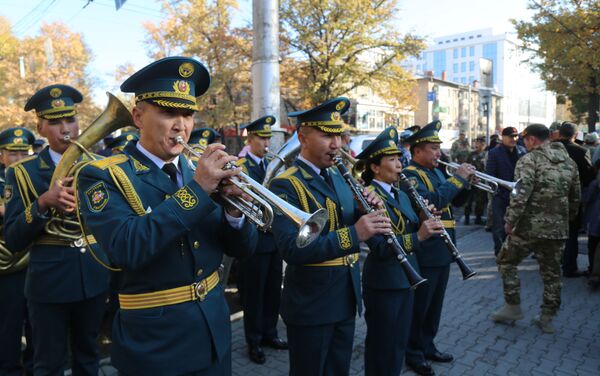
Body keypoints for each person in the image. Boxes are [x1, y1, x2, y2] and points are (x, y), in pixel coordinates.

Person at [75, 57, 258, 375]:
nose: (181, 125)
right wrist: (199, 190)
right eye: (168, 112)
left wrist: (233, 211)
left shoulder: (193, 170)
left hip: (214, 331)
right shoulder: (103, 175)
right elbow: (125, 248)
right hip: (155, 346)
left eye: (187, 114)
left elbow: (242, 250)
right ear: (137, 116)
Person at [268, 97, 391, 376]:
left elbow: (346, 223)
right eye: (326, 135)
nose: (336, 144)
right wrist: (356, 232)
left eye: (338, 135)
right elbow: (293, 250)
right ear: (303, 137)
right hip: (311, 303)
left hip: (345, 297)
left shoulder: (338, 176)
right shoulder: (286, 183)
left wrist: (365, 212)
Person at [4, 85, 109, 375]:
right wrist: (43, 203)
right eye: (55, 122)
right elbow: (13, 238)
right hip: (48, 282)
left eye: (71, 119)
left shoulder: (100, 165)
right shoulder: (21, 172)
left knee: (89, 357)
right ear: (40, 127)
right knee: (49, 363)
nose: (66, 129)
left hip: (93, 274)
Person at [357, 126, 442, 376]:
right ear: (375, 167)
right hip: (384, 283)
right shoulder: (368, 197)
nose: (399, 163)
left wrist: (426, 216)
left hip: (406, 278)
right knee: (382, 346)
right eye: (392, 159)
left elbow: (412, 227)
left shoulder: (401, 194)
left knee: (397, 344)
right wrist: (419, 235)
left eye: (398, 158)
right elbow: (382, 248)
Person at [491, 124, 580, 333]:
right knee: (552, 274)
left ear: (531, 139)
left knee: (506, 260)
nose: (524, 144)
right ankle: (547, 318)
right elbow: (576, 199)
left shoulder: (529, 160)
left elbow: (520, 195)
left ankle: (512, 307)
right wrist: (563, 220)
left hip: (528, 228)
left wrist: (510, 221)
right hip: (557, 229)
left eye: (525, 140)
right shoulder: (569, 163)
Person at [402, 121, 475, 376]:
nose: (439, 154)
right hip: (427, 248)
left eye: (438, 149)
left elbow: (455, 202)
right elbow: (431, 203)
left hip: (444, 248)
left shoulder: (436, 172)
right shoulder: (410, 174)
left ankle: (427, 345)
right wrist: (457, 180)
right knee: (421, 305)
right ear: (418, 150)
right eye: (433, 149)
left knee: (435, 305)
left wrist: (467, 183)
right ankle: (413, 353)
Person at [236, 115, 288, 364]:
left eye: (268, 138)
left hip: (273, 239)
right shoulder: (240, 165)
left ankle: (270, 333)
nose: (266, 144)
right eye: (262, 138)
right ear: (251, 138)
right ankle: (253, 341)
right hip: (253, 239)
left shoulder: (271, 164)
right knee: (254, 294)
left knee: (272, 292)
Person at [0, 127, 35, 376]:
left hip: (36, 262)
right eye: (13, 153)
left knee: (37, 325)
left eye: (24, 152)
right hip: (7, 267)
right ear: (2, 155)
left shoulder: (37, 177)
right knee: (8, 327)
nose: (19, 158)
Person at [556, 122, 594, 277]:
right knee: (571, 234)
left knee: (551, 233)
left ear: (559, 134)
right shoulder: (580, 151)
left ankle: (549, 264)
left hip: (548, 198)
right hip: (572, 199)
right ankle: (569, 267)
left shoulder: (548, 150)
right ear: (575, 134)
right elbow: (589, 176)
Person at [485, 127, 527, 255]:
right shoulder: (494, 153)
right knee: (498, 226)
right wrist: (499, 192)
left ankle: (513, 251)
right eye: (510, 136)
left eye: (515, 136)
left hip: (518, 195)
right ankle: (500, 252)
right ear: (502, 137)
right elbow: (490, 175)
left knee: (518, 225)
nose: (513, 139)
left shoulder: (522, 151)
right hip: (501, 195)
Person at [464, 136, 487, 225]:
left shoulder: (486, 155)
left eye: (480, 143)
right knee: (468, 200)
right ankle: (467, 217)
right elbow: (466, 165)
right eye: (476, 143)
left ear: (483, 144)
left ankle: (478, 217)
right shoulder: (471, 154)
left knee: (480, 200)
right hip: (470, 180)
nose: (477, 145)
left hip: (481, 181)